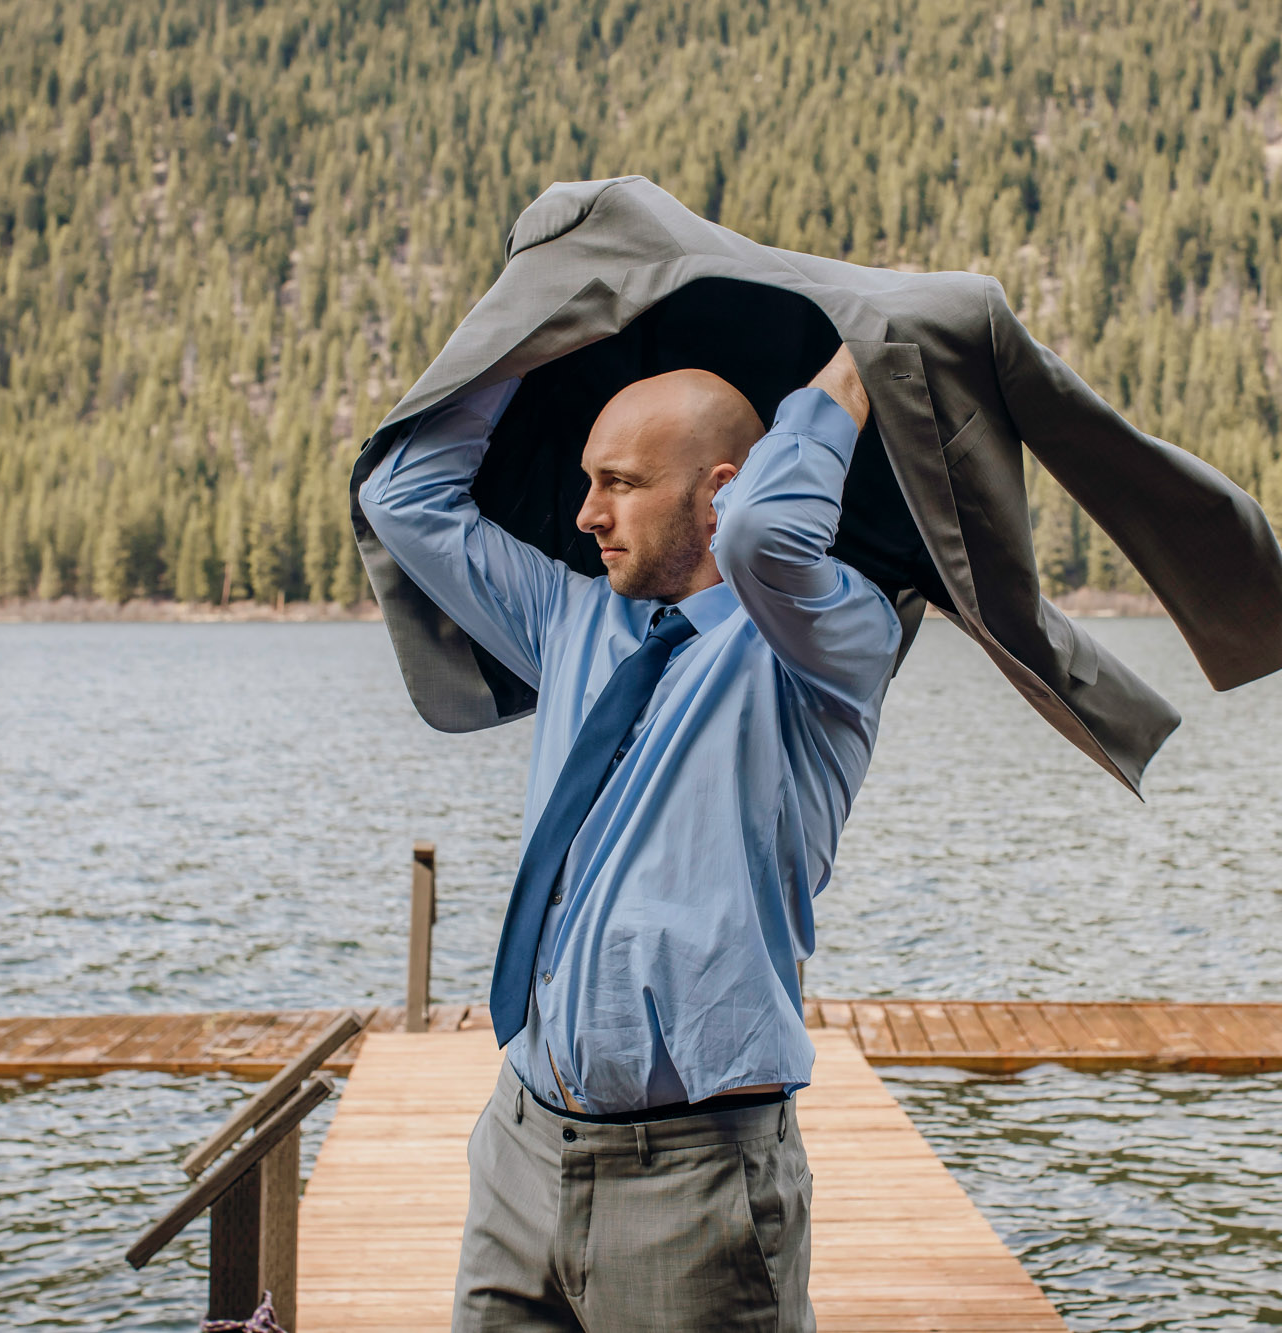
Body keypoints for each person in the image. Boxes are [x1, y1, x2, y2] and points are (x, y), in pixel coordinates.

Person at [358, 342, 899, 1331]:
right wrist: (534, 330)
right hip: (520, 1145)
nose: (585, 515)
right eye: (585, 481)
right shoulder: (570, 621)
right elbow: (402, 495)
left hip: (695, 1184)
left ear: (717, 495)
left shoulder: (823, 649)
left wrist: (858, 365)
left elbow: (769, 539)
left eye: (619, 483)